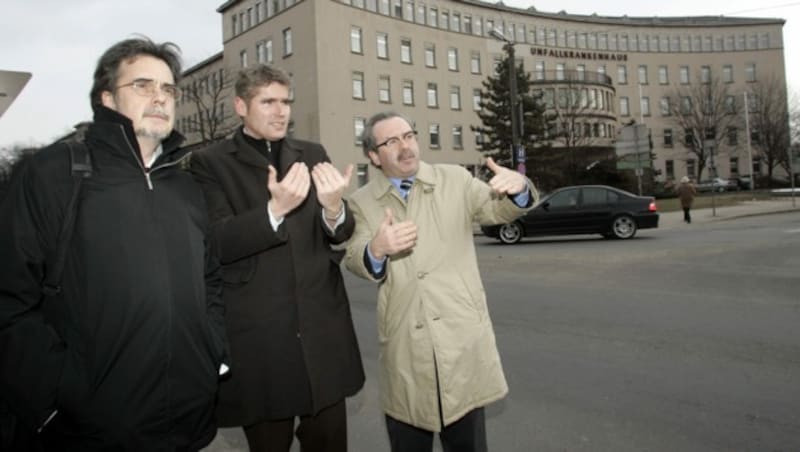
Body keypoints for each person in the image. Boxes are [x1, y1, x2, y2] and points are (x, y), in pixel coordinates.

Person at [0, 37, 228, 450]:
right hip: (90, 428)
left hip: (187, 421)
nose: (160, 98)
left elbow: (209, 280)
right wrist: (50, 399)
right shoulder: (54, 173)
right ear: (106, 99)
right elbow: (10, 298)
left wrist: (213, 351)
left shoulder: (186, 186)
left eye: (168, 89)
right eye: (143, 86)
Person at [190, 64, 364, 452]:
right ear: (240, 105)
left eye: (285, 101)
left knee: (330, 440)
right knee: (269, 443)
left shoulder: (312, 153)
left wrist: (335, 208)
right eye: (267, 101)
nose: (281, 111)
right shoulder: (210, 163)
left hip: (321, 329)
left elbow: (340, 231)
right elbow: (216, 242)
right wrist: (274, 211)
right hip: (261, 340)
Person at [343, 111, 538, 452]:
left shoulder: (455, 179)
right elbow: (353, 256)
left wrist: (518, 191)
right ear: (373, 156)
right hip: (406, 346)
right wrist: (377, 249)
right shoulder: (361, 203)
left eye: (409, 136)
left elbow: (495, 210)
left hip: (460, 341)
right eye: (391, 142)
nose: (405, 147)